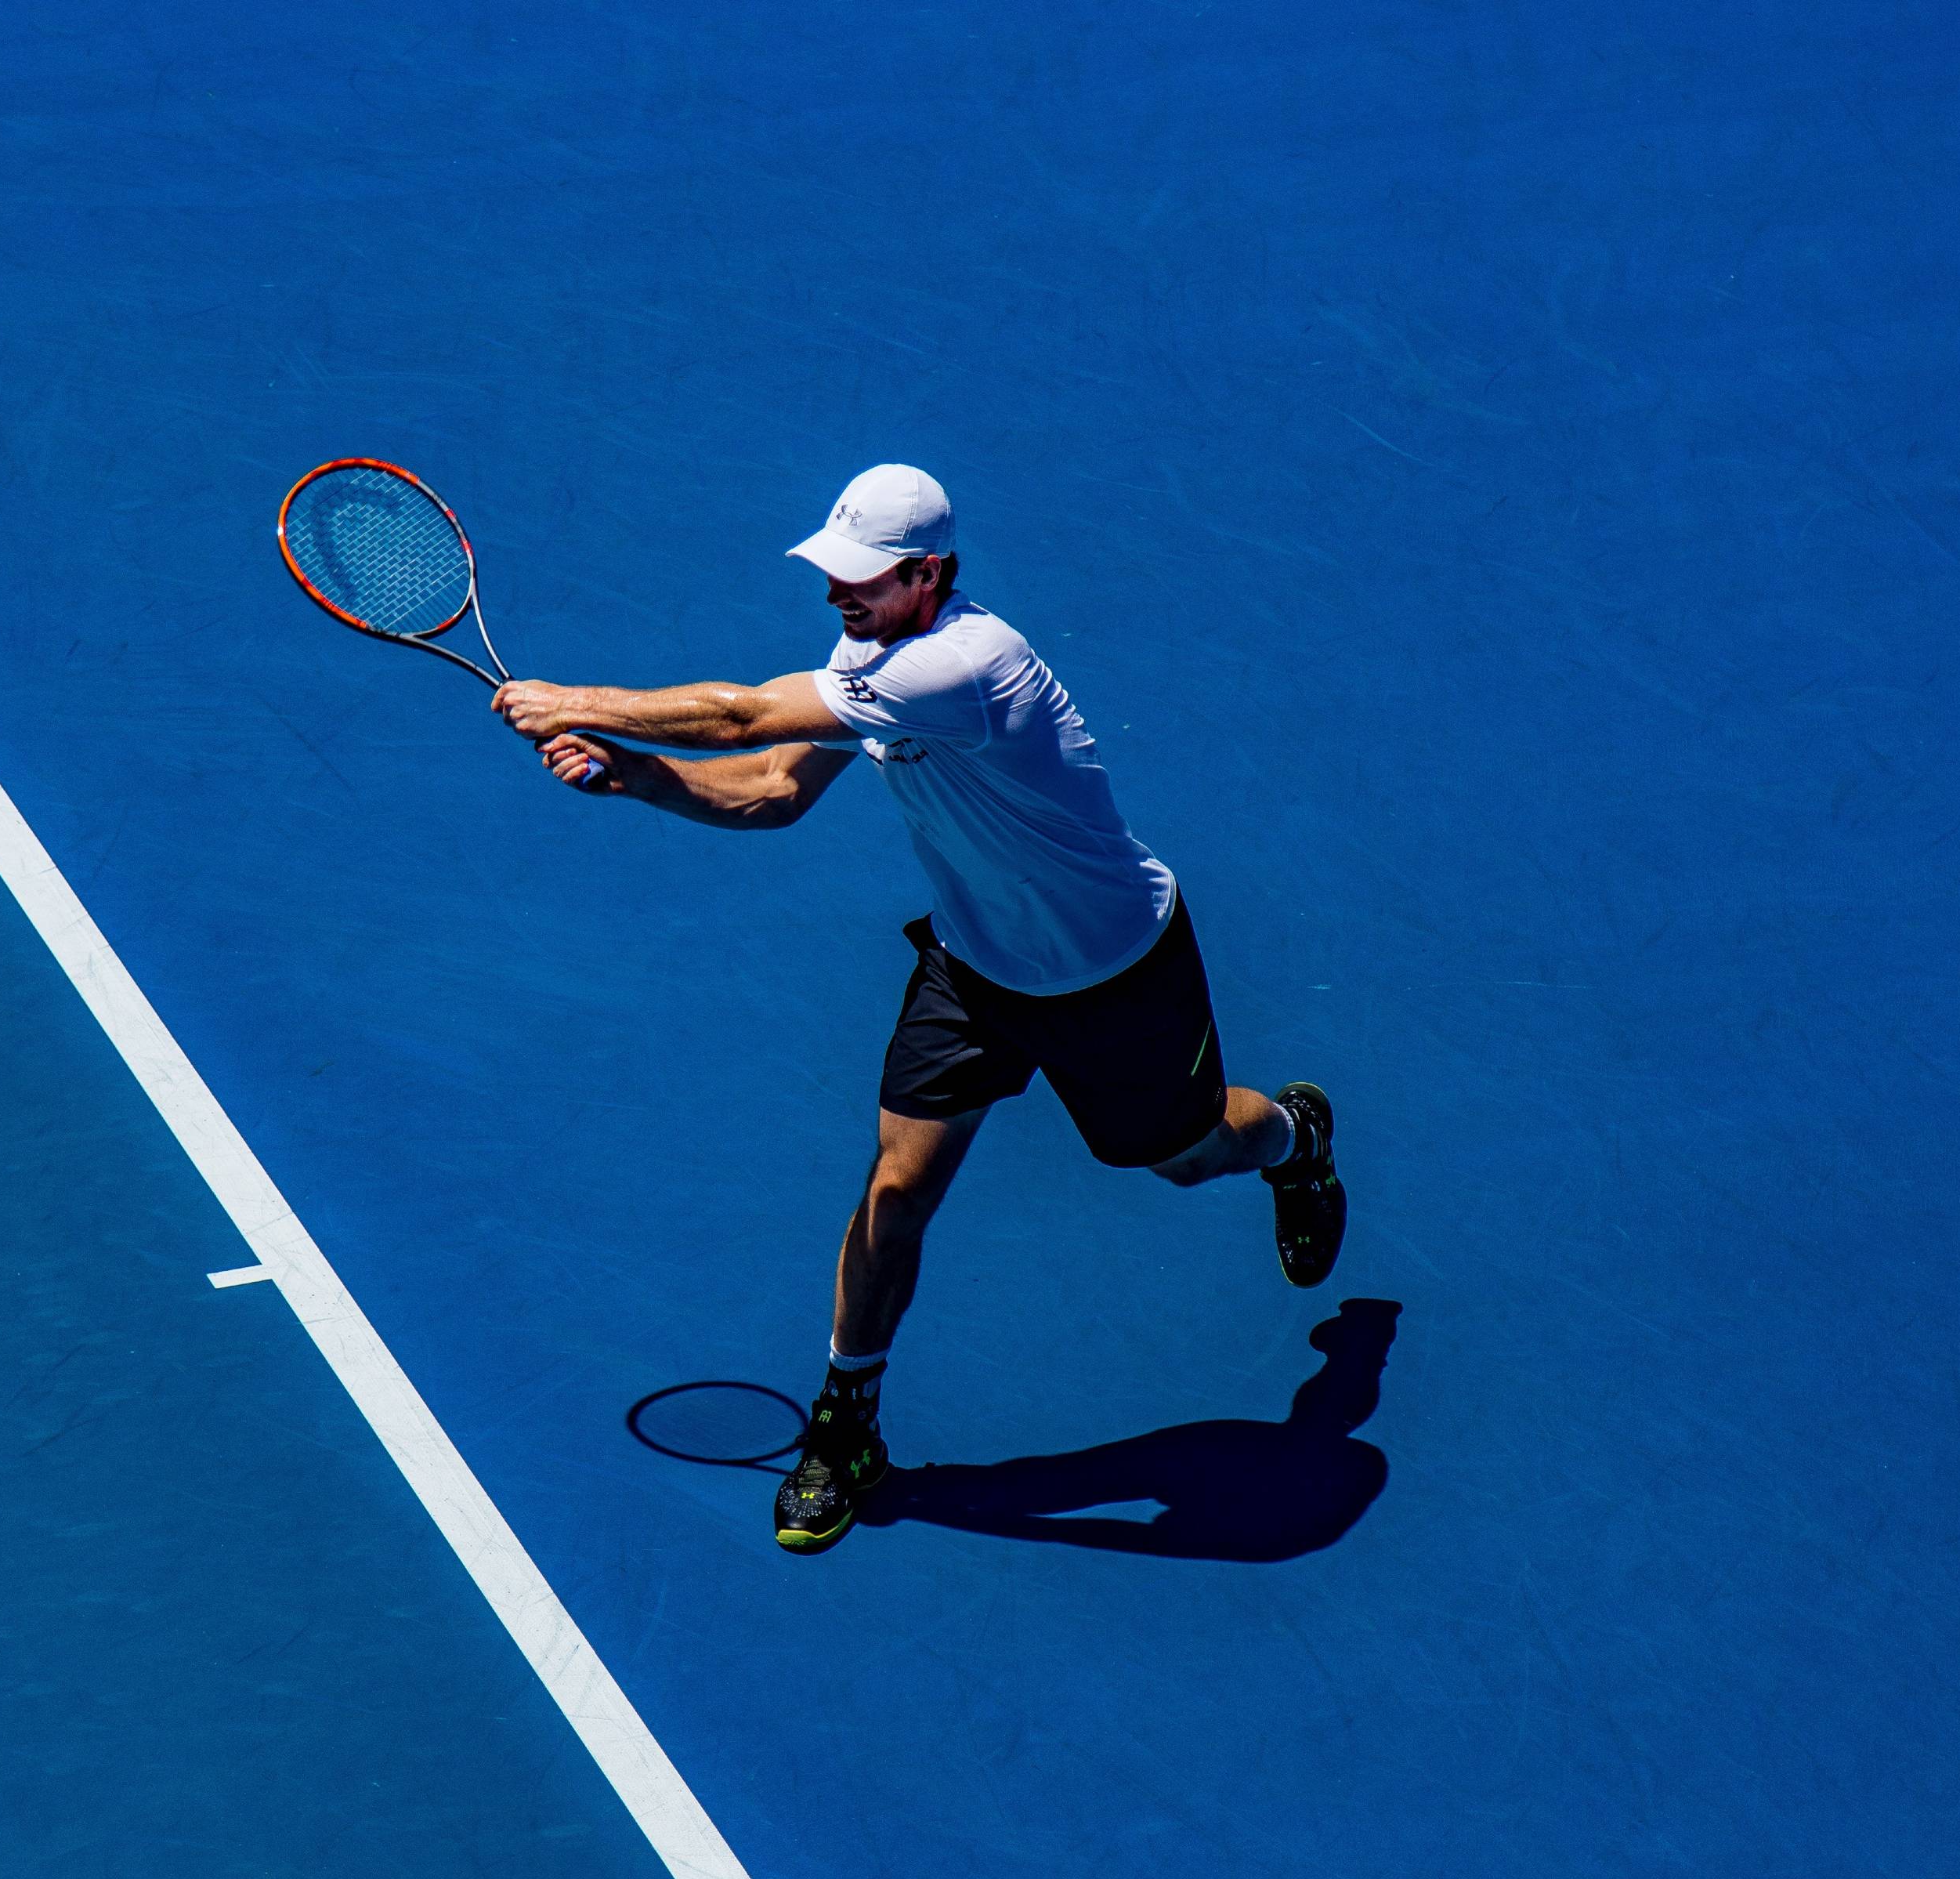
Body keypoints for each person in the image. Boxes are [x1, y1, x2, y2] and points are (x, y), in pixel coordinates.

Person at [491, 465, 1344, 1555]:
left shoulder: (965, 665)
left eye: (861, 577)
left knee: (1183, 1155)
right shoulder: (872, 656)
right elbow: (774, 787)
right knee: (897, 1189)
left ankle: (1294, 1136)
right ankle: (848, 1421)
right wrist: (637, 775)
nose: (837, 594)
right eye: (831, 572)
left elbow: (743, 713)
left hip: (1115, 971)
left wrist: (574, 700)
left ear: (929, 574)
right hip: (975, 968)